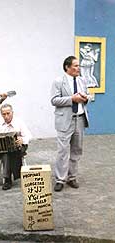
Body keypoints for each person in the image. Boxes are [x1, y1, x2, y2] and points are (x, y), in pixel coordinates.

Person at [51, 56, 91, 192]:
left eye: (78, 66)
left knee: (76, 150)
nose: (78, 68)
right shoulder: (58, 81)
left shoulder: (82, 80)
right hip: (64, 120)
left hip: (79, 119)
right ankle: (60, 179)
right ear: (67, 67)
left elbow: (88, 96)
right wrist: (71, 99)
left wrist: (86, 98)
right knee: (62, 151)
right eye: (75, 66)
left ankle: (72, 177)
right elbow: (54, 100)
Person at [0, 103, 32, 190]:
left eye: (8, 113)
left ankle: (7, 179)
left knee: (7, 153)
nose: (6, 116)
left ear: (12, 112)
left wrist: (22, 140)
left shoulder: (19, 122)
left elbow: (28, 135)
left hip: (17, 147)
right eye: (3, 114)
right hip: (0, 147)